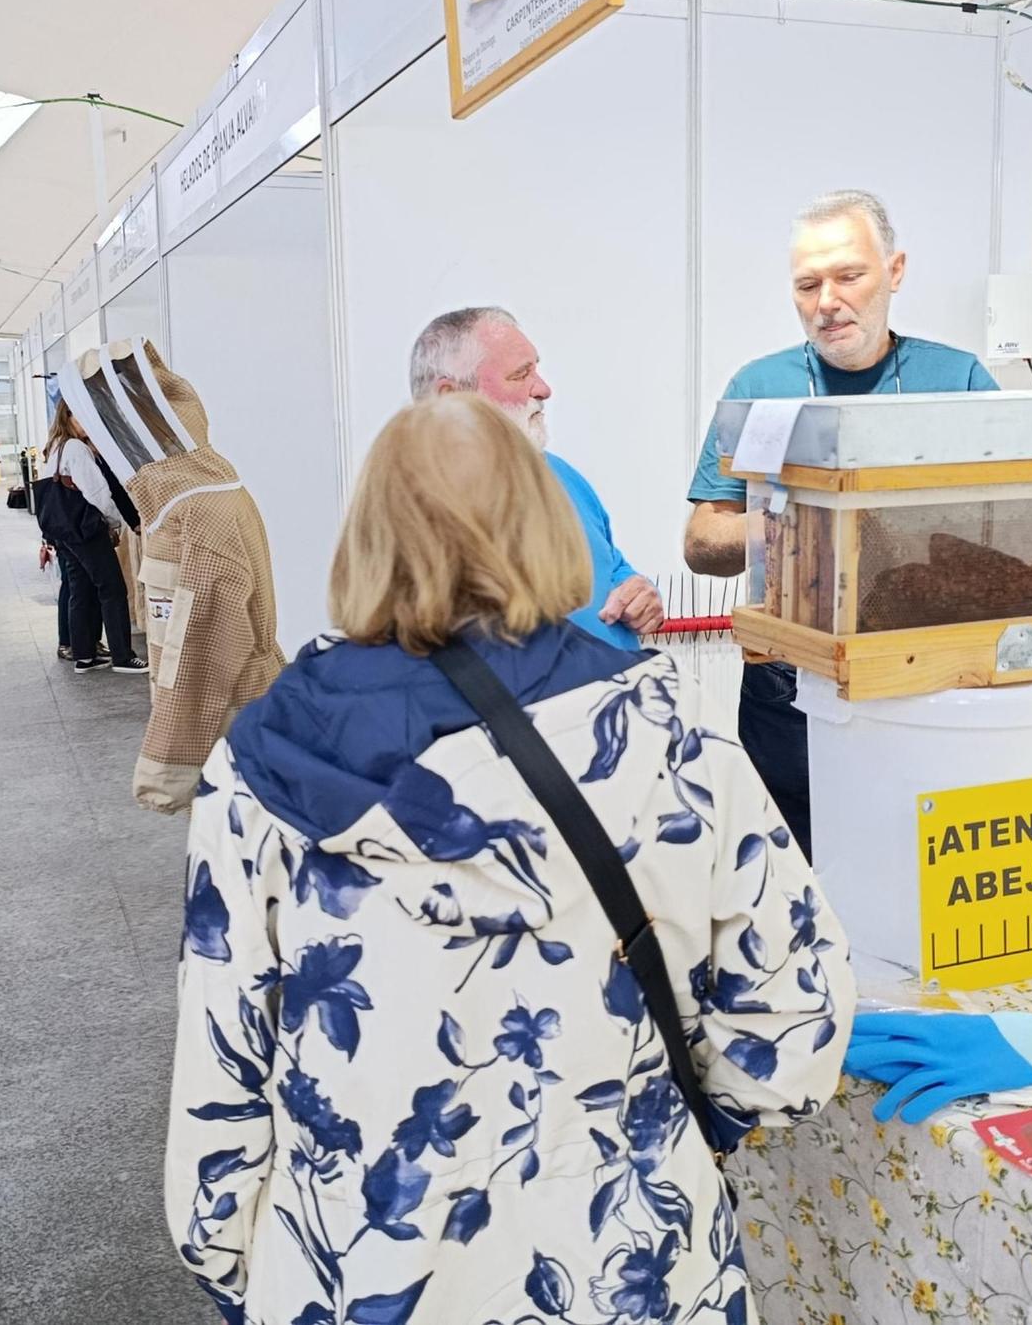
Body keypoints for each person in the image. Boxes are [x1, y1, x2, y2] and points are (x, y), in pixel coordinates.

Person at [167, 393, 853, 1322]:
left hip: (364, 1263)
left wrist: (230, 1257)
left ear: (365, 536)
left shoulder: (258, 767)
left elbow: (225, 1052)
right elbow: (793, 1022)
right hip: (628, 1250)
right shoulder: (669, 741)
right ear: (547, 523)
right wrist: (685, 1118)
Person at [684, 189, 999, 856]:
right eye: (808, 284)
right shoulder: (759, 389)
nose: (827, 300)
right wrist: (804, 525)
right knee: (789, 872)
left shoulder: (958, 380)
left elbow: (1009, 530)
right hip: (787, 683)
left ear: (895, 271)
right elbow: (703, 541)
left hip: (926, 675)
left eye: (848, 275)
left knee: (911, 864)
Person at [409, 306, 664, 649]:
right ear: (452, 398)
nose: (544, 389)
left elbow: (611, 565)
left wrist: (636, 590)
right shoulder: (417, 508)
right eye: (520, 375)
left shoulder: (558, 474)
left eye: (536, 370)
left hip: (617, 693)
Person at [39, 399, 144, 674]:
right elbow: (97, 493)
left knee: (80, 590)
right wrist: (113, 523)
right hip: (86, 530)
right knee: (112, 589)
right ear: (68, 416)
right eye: (82, 417)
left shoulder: (56, 448)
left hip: (65, 532)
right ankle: (123, 656)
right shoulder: (76, 448)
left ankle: (83, 656)